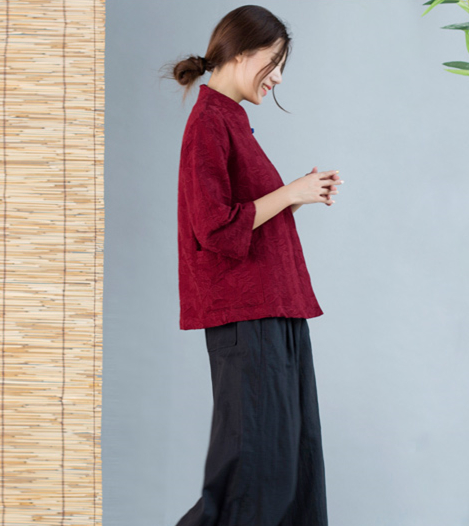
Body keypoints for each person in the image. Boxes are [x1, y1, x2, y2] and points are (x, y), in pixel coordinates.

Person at [165, 5, 340, 525]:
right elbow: (214, 228)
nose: (279, 77)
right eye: (274, 61)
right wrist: (290, 192)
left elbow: (245, 220)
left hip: (275, 310)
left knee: (292, 468)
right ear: (241, 52)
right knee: (255, 475)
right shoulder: (209, 122)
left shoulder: (230, 121)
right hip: (248, 315)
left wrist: (297, 196)